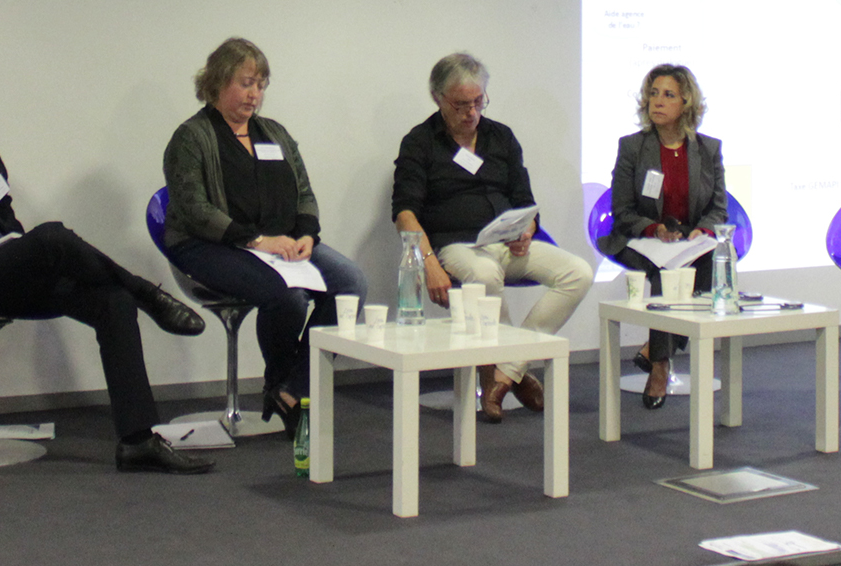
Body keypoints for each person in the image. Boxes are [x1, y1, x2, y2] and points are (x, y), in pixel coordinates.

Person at [0, 51, 214, 474]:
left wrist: (10, 246)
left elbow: (8, 225)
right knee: (52, 236)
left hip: (2, 273)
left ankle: (137, 440)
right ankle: (148, 293)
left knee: (111, 302)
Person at [161, 37, 367, 437]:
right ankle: (281, 383)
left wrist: (307, 234)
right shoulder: (192, 137)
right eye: (245, 83)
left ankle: (293, 389)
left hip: (281, 245)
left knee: (351, 284)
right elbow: (195, 210)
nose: (254, 94)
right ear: (217, 82)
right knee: (286, 295)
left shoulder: (274, 134)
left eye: (260, 84)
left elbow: (304, 192)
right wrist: (256, 241)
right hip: (210, 245)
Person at [392, 51, 593, 423]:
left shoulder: (501, 137)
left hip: (506, 242)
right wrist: (429, 264)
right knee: (484, 275)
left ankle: (505, 372)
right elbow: (405, 213)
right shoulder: (420, 143)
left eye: (478, 102)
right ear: (438, 99)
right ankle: (504, 376)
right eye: (461, 105)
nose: (471, 112)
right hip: (456, 247)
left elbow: (525, 200)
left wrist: (526, 229)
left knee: (578, 272)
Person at [595, 63, 727, 408]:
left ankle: (655, 347)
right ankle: (660, 365)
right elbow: (622, 210)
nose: (657, 101)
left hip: (688, 239)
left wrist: (703, 230)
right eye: (653, 93)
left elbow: (719, 208)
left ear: (686, 102)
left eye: (668, 95)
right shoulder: (633, 147)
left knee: (710, 262)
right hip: (640, 238)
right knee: (665, 274)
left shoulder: (708, 150)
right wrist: (654, 230)